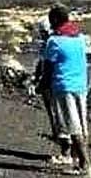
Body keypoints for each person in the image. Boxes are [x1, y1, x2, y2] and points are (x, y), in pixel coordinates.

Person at [43, 5, 91, 177]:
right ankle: (75, 160)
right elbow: (85, 63)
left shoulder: (54, 41)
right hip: (81, 86)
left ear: (55, 20)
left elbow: (48, 69)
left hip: (64, 87)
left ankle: (85, 166)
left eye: (51, 19)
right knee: (81, 124)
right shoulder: (80, 37)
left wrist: (42, 86)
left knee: (73, 127)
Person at [32, 15, 69, 165]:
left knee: (58, 117)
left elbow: (46, 66)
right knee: (59, 117)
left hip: (54, 86)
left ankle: (66, 152)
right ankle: (67, 149)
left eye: (41, 31)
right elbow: (41, 65)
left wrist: (40, 83)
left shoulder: (52, 43)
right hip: (58, 85)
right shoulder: (55, 41)